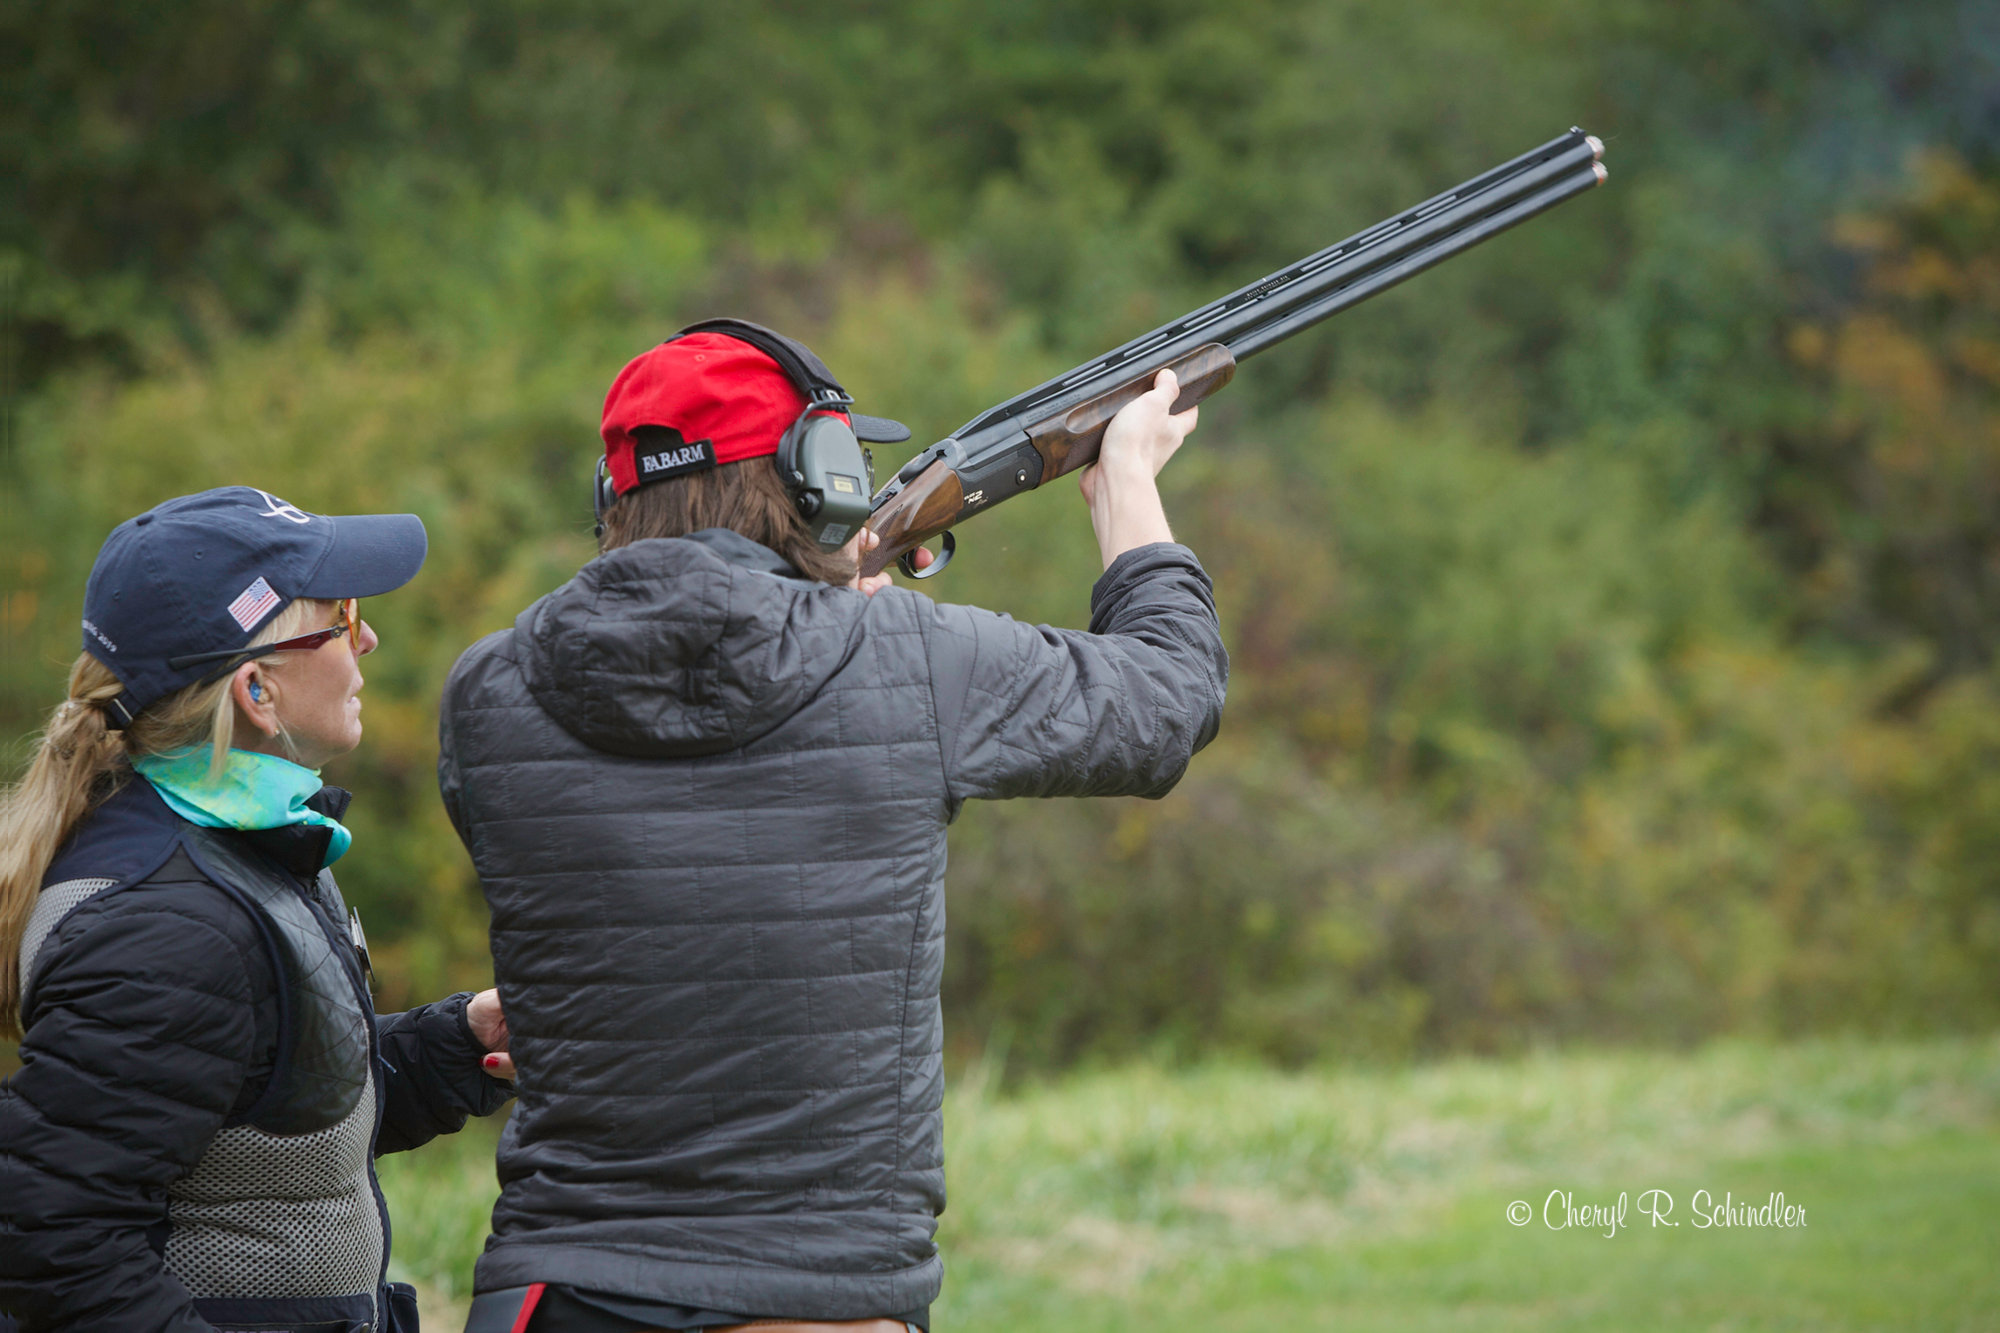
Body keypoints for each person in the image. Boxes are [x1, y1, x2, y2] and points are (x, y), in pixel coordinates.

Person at [437, 321, 1226, 1332]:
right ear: (816, 481)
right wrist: (1126, 486)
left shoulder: (484, 691)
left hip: (547, 1293)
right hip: (812, 1300)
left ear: (613, 496)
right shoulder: (898, 655)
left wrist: (816, 612)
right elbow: (1166, 701)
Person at [0, 487, 516, 1333]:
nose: (369, 639)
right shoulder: (168, 923)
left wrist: (458, 1045)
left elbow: (263, 1119)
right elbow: (54, 1240)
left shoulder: (234, 846)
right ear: (257, 691)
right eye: (343, 618)